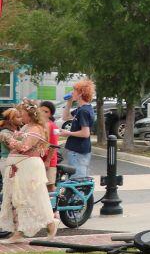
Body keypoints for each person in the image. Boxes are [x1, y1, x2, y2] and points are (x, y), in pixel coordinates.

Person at [0, 101, 57, 242]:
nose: (21, 116)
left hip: (29, 167)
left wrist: (8, 138)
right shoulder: (26, 127)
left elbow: (24, 147)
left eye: (22, 114)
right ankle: (19, 233)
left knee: (33, 198)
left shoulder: (36, 129)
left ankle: (50, 224)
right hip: (19, 167)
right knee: (18, 200)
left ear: (30, 114)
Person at [61, 78, 95, 182]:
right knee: (75, 180)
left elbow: (85, 133)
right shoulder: (81, 109)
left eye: (74, 90)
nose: (72, 92)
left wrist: (68, 133)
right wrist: (69, 102)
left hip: (79, 151)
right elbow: (65, 117)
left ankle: (79, 198)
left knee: (77, 181)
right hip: (76, 150)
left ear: (81, 93)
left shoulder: (84, 111)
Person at [39, 101, 59, 185]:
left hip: (49, 160)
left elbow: (54, 145)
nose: (43, 113)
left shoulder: (54, 126)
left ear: (50, 115)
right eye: (41, 110)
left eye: (46, 111)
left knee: (50, 186)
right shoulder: (37, 125)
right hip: (38, 160)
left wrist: (47, 161)